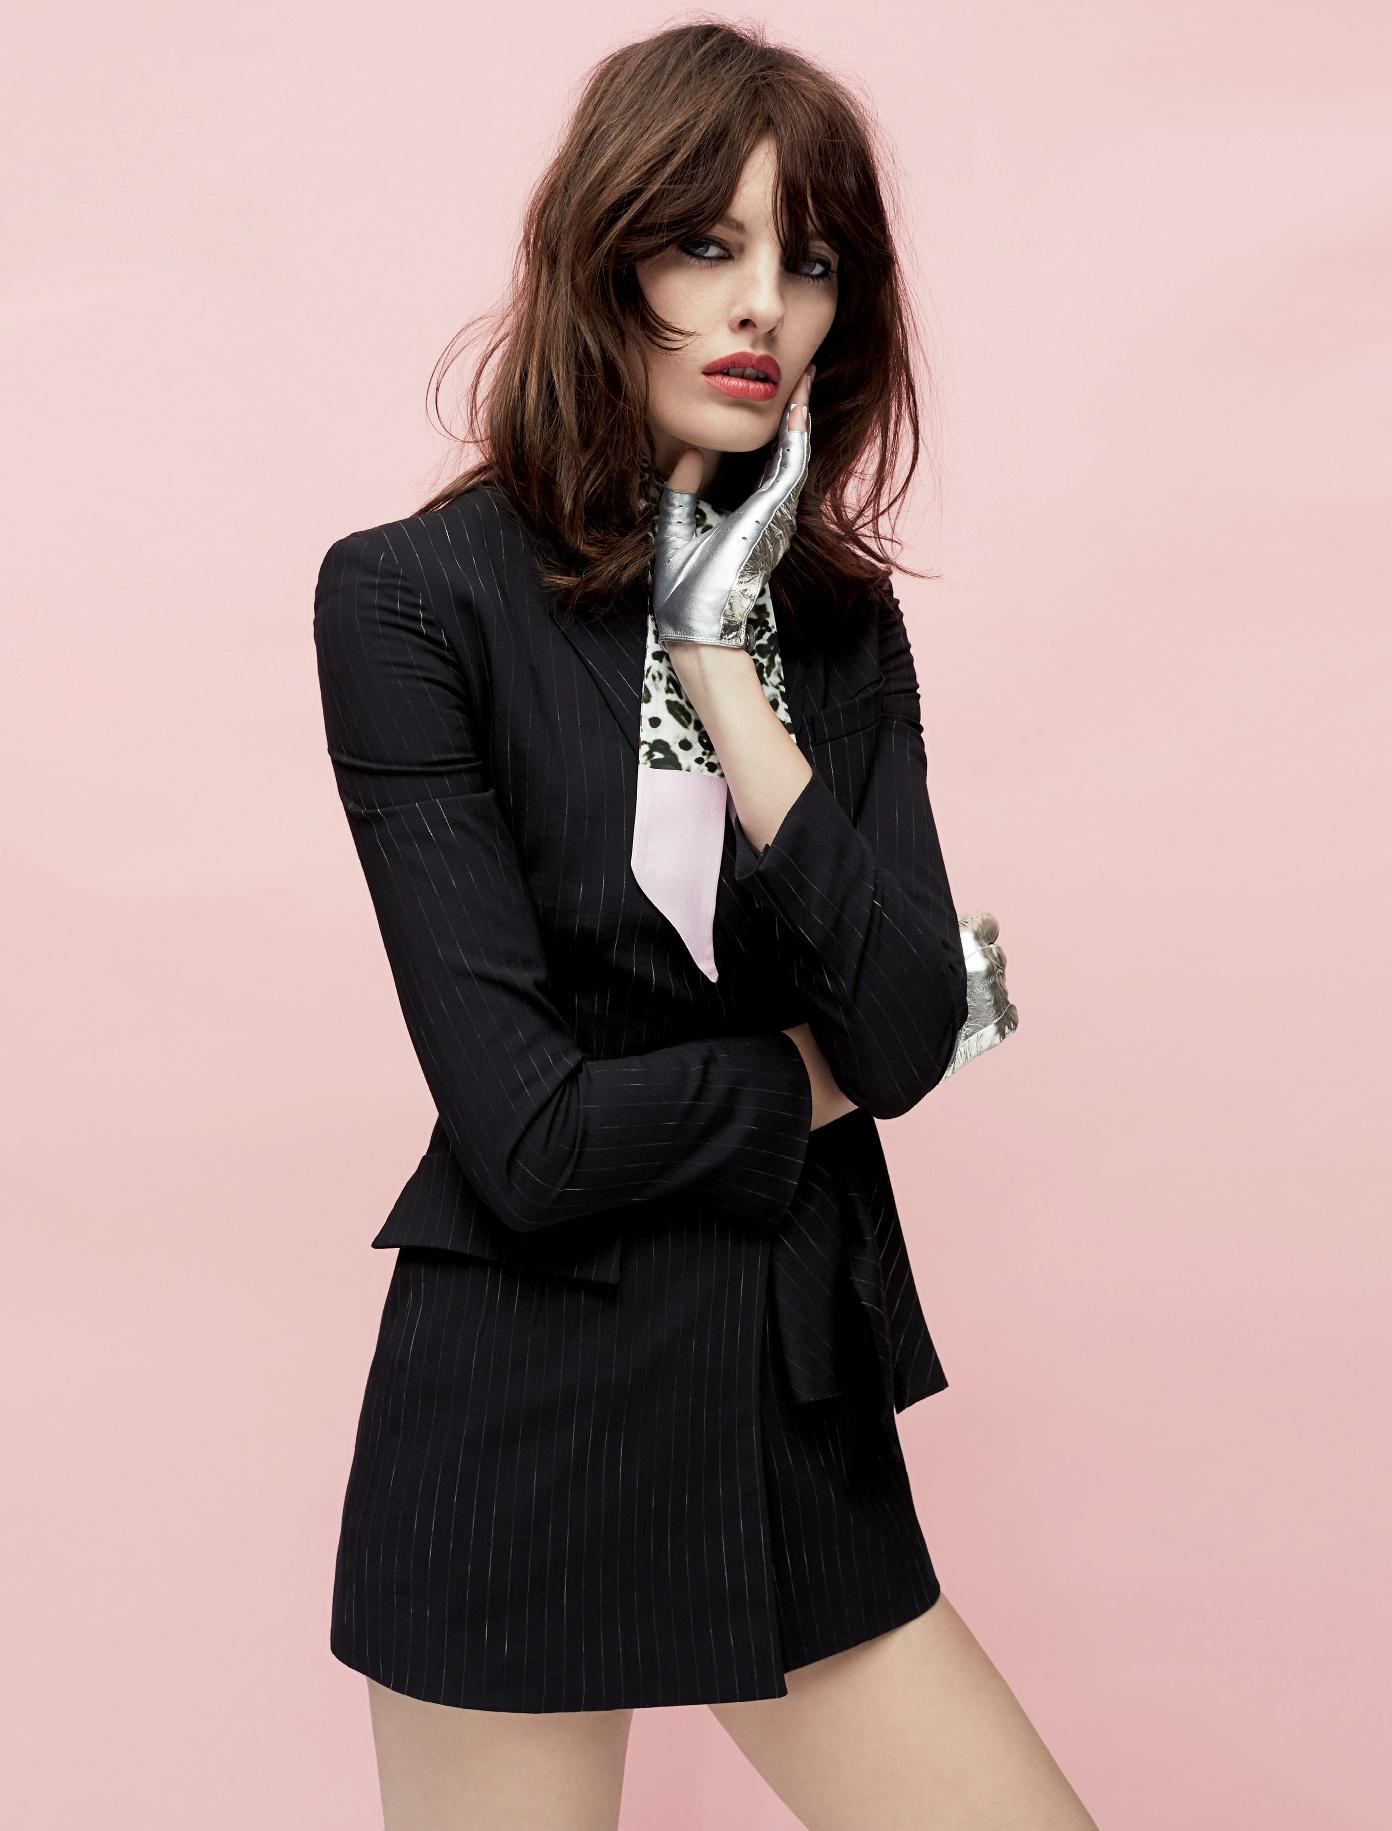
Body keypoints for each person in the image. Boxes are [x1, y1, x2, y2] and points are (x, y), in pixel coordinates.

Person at [312, 22, 1099, 1831]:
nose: (763, 307)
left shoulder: (836, 629)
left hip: (783, 1384)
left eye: (808, 262)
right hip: (521, 1404)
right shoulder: (412, 603)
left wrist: (719, 663)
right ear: (605, 263)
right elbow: (527, 1135)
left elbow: (903, 1034)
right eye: (704, 245)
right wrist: (813, 1079)